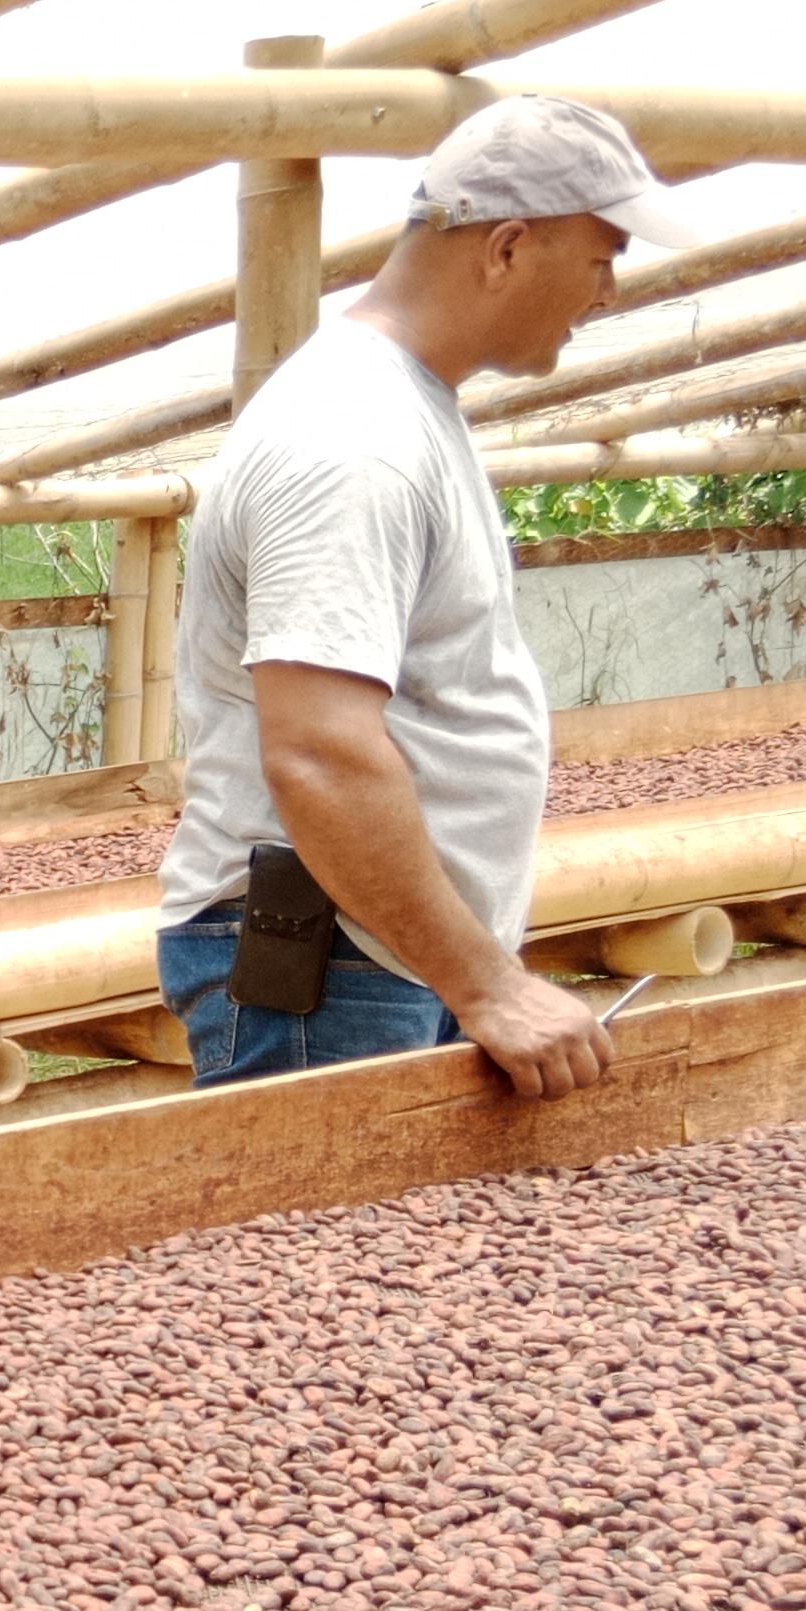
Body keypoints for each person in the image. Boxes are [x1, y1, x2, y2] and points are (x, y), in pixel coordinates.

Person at [156, 93, 693, 1096]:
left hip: (379, 952)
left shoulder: (402, 409)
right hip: (337, 961)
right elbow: (319, 751)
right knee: (320, 1250)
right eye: (602, 256)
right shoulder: (355, 439)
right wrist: (488, 984)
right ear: (508, 248)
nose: (609, 292)